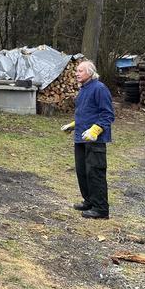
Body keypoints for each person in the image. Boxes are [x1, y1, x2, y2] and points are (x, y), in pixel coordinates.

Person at [60, 60, 114, 219]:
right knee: (83, 172)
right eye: (76, 70)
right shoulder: (83, 89)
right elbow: (87, 113)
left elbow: (107, 114)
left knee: (95, 173)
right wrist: (74, 125)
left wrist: (96, 130)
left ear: (90, 72)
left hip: (95, 140)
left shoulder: (99, 88)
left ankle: (101, 209)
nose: (77, 73)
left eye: (80, 71)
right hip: (81, 138)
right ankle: (89, 201)